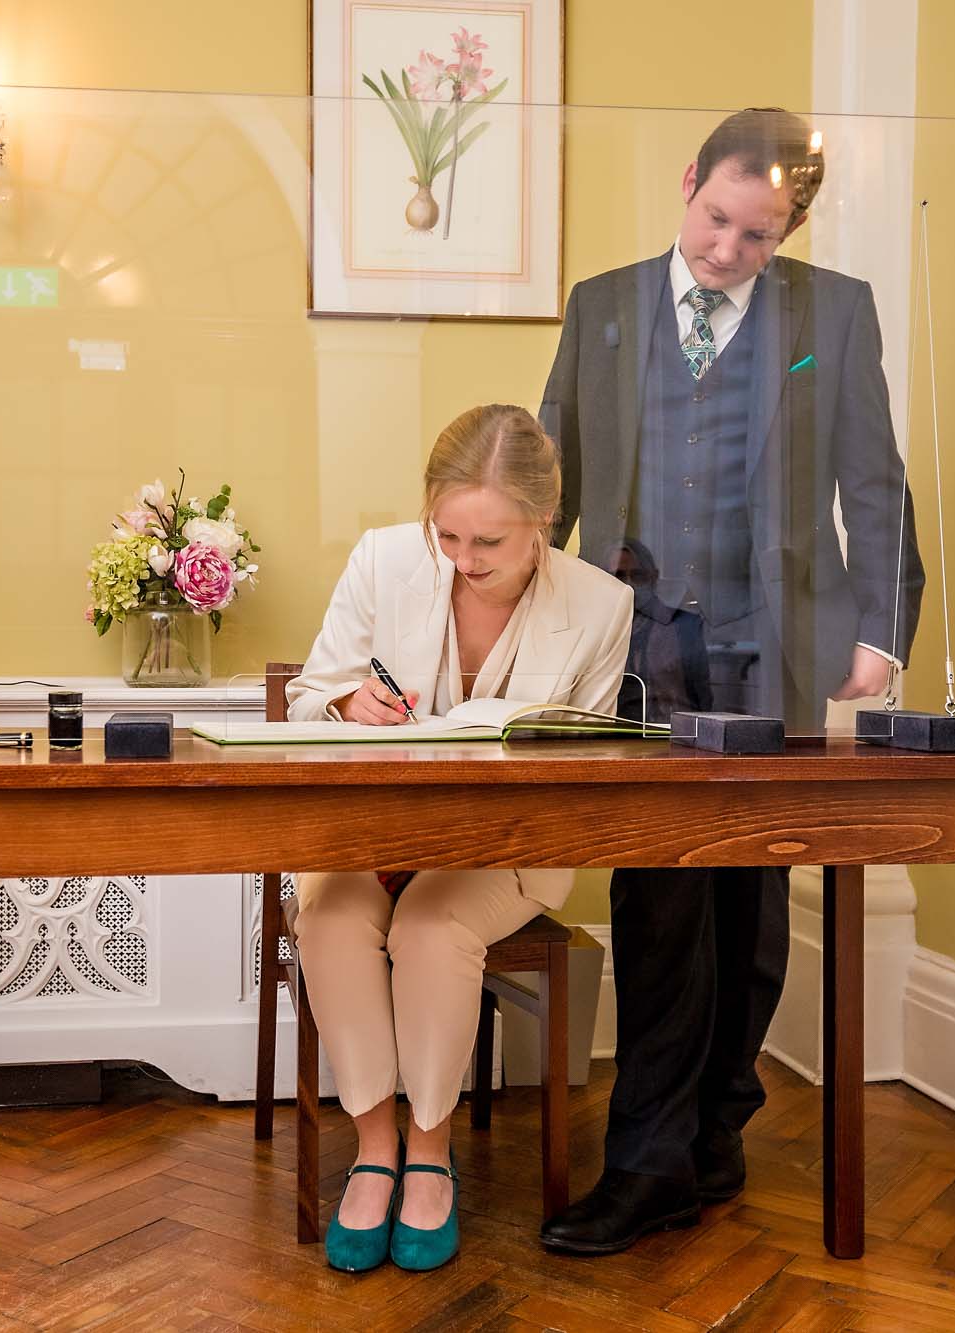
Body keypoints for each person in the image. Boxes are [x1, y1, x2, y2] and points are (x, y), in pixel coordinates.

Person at [536, 109, 924, 1254]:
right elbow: (549, 477)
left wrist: (881, 631)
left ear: (787, 225)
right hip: (638, 638)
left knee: (752, 912)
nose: (725, 253)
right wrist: (502, 625)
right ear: (687, 181)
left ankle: (714, 1127)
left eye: (757, 237)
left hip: (772, 640)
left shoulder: (831, 310)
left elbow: (874, 478)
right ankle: (646, 1163)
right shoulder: (600, 306)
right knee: (659, 902)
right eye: (715, 221)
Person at [285, 404, 635, 1273]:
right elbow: (309, 694)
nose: (465, 562)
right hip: (369, 828)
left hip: (503, 847)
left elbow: (585, 761)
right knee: (328, 921)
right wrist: (345, 703)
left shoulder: (601, 605)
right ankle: (375, 1148)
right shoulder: (382, 559)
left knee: (431, 928)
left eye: (492, 544)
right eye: (448, 536)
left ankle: (430, 1154)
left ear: (543, 523)